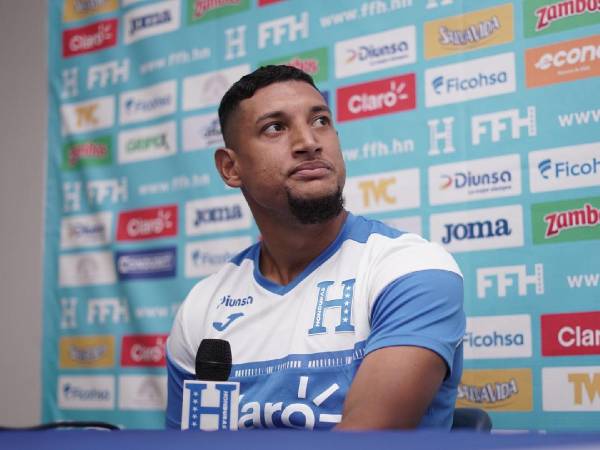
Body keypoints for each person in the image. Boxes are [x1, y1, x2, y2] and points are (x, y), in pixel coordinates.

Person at [166, 65, 465, 430]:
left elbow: (366, 440)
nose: (309, 141)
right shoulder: (202, 306)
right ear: (230, 167)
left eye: (320, 120)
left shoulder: (412, 270)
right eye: (275, 127)